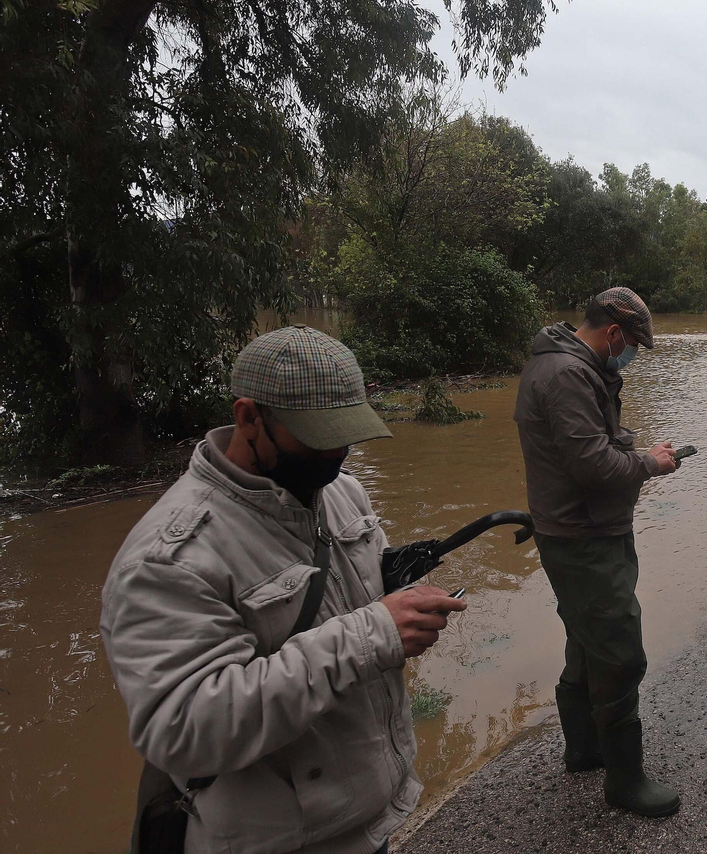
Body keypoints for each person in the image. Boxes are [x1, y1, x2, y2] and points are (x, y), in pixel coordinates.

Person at [102, 326, 466, 854]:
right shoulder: (169, 559)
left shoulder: (340, 491)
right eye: (318, 435)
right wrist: (371, 633)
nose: (336, 451)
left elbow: (346, 600)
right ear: (249, 416)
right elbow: (183, 730)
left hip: (367, 822)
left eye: (346, 432)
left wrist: (388, 584)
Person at [514, 288, 681, 817]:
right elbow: (593, 467)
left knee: (587, 642)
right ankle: (625, 783)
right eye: (631, 343)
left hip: (575, 530)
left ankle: (584, 751)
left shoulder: (569, 368)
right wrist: (649, 465)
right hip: (584, 537)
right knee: (617, 649)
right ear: (613, 334)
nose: (630, 353)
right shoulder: (568, 375)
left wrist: (633, 452)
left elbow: (584, 450)